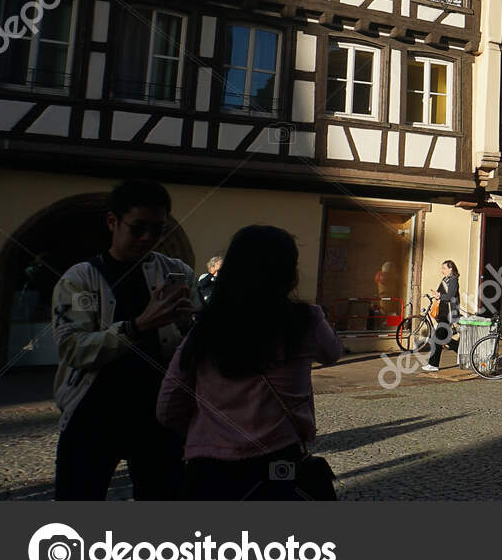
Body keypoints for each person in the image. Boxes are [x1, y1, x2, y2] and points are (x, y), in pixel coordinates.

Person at [157, 226, 342, 500]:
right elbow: (332, 353)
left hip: (210, 469)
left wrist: (208, 430)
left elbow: (168, 406)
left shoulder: (205, 328)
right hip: (280, 461)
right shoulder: (305, 321)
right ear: (288, 273)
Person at [52, 180, 197, 500]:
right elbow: (74, 348)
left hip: (158, 417)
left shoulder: (177, 272)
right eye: (138, 228)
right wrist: (137, 327)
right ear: (112, 222)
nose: (148, 238)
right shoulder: (81, 279)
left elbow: (196, 347)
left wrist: (189, 325)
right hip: (93, 414)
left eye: (157, 230)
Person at [422, 260, 462, 371]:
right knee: (444, 338)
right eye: (442, 268)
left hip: (449, 313)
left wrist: (440, 296)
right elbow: (442, 294)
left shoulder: (453, 280)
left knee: (437, 338)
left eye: (444, 268)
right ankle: (462, 351)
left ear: (451, 269)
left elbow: (449, 296)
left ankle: (433, 364)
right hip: (443, 312)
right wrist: (436, 294)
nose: (442, 271)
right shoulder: (445, 280)